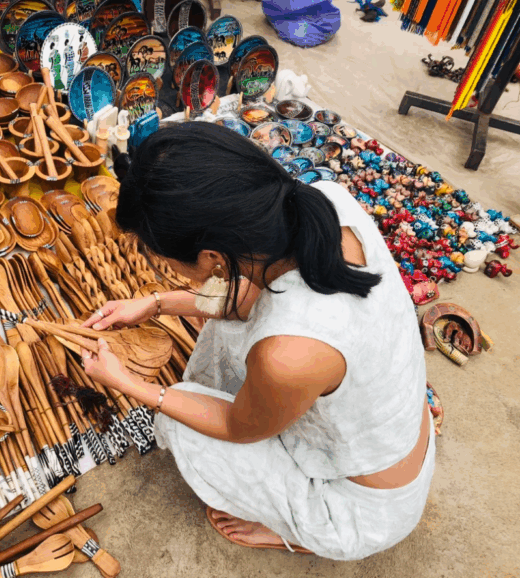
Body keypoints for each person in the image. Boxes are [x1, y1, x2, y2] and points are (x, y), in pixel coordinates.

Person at [80, 122, 434, 561]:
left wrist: (129, 383)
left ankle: (303, 530)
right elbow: (247, 297)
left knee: (179, 419)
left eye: (158, 253)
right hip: (393, 441)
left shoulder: (288, 353)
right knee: (230, 330)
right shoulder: (325, 202)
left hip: (363, 509)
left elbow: (234, 427)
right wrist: (155, 304)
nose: (158, 261)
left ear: (210, 257)